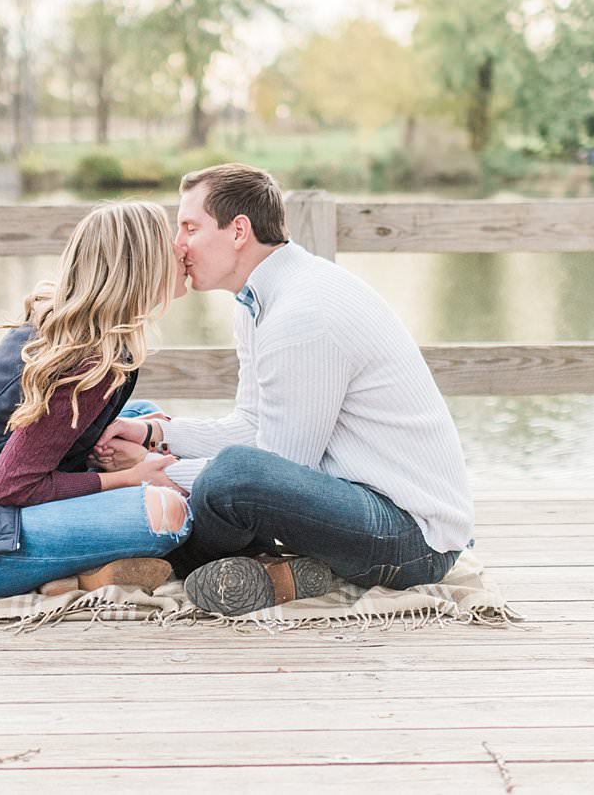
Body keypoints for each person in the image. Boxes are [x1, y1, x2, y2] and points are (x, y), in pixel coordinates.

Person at [93, 164, 476, 616]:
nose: (177, 244)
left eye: (190, 227)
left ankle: (167, 559)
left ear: (238, 230)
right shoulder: (260, 301)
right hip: (358, 504)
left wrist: (157, 474)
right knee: (149, 416)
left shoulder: (303, 314)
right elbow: (253, 427)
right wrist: (154, 437)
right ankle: (267, 572)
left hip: (410, 537)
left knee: (229, 477)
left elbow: (278, 467)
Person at [0, 200, 191, 598]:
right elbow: (12, 487)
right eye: (170, 241)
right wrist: (127, 478)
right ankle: (86, 572)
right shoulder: (87, 360)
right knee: (168, 514)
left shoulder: (86, 333)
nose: (181, 249)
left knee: (140, 419)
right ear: (142, 264)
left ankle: (85, 558)